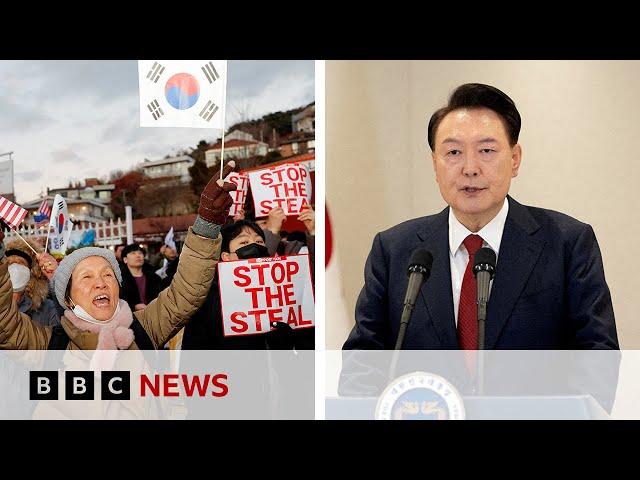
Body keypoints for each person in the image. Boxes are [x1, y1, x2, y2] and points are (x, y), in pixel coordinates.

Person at [343, 83, 618, 350]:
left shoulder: (568, 243)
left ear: (515, 159)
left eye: (486, 150)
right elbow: (362, 362)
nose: (470, 168)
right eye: (453, 152)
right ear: (434, 165)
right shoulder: (394, 250)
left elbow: (597, 359)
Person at [0, 161, 237, 350]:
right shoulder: (48, 345)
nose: (101, 283)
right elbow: (5, 324)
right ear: (67, 298)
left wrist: (207, 224)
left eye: (107, 275)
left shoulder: (145, 329)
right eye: (87, 277)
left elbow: (186, 294)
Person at [181, 218, 314, 350]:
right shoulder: (209, 300)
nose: (255, 246)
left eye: (259, 241)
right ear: (227, 257)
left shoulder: (284, 293)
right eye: (244, 242)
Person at [4, 239, 59, 327]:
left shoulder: (48, 309)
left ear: (31, 272)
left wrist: (57, 278)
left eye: (21, 263)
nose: (15, 267)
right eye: (10, 263)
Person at [119, 243, 162, 312]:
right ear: (125, 260)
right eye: (133, 253)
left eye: (140, 253)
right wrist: (133, 307)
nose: (138, 255)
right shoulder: (119, 280)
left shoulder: (155, 278)